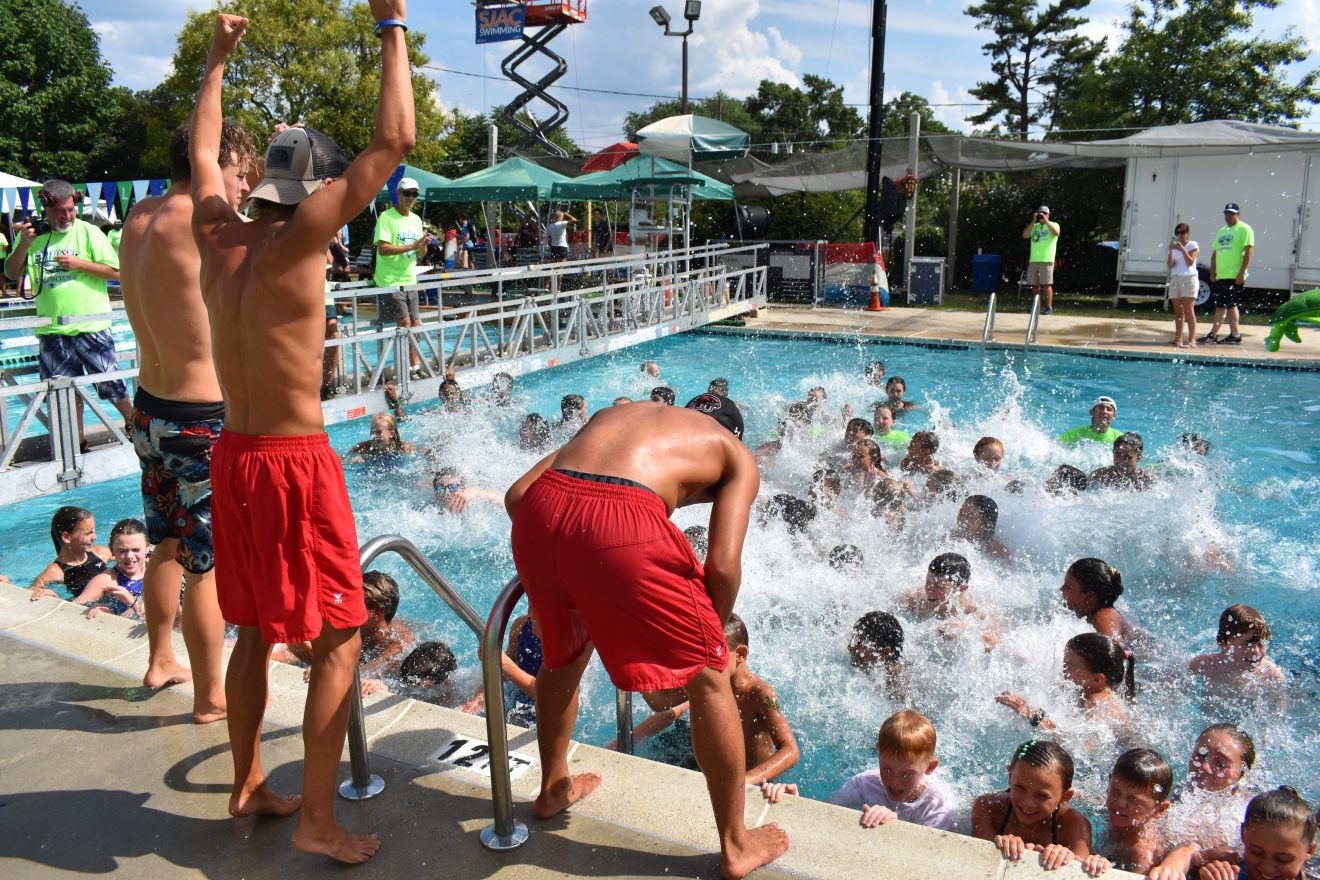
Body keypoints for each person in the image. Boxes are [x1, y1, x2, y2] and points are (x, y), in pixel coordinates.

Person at [189, 5, 415, 862]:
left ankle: (247, 781)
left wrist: (216, 62)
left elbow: (206, 152)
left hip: (233, 453)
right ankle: (318, 821)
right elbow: (395, 139)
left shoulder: (219, 236)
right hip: (290, 463)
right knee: (340, 637)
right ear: (318, 189)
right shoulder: (307, 237)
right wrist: (391, 22)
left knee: (256, 630)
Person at [505, 392, 790, 878]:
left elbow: (517, 495)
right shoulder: (735, 453)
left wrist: (573, 566)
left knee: (563, 657)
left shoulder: (618, 416)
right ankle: (737, 845)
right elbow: (721, 565)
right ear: (731, 432)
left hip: (540, 517)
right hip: (622, 523)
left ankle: (554, 788)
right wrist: (708, 641)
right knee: (711, 675)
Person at [4, 179, 134, 447]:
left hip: (91, 325)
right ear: (46, 208)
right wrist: (23, 247)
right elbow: (11, 273)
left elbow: (119, 273)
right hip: (52, 330)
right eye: (60, 211)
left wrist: (80, 264)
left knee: (111, 384)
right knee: (64, 392)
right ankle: (78, 443)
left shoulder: (89, 233)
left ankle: (135, 426)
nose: (67, 215)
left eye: (71, 209)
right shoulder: (31, 237)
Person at [761, 710, 957, 832]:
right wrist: (794, 802)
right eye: (887, 769)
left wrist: (897, 824)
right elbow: (824, 815)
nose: (895, 782)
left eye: (907, 774)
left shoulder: (940, 804)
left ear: (930, 768)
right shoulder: (866, 782)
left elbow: (934, 856)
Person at [1151, 725, 1257, 877]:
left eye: (1220, 764)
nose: (1205, 767)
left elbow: (1190, 845)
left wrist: (1175, 863)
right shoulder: (1174, 790)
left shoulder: (1242, 815)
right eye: (1201, 755)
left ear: (1242, 775)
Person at [971, 740, 1091, 867]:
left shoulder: (1075, 826)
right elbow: (981, 864)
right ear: (1010, 776)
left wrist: (1065, 857)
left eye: (1042, 796)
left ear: (1065, 796)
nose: (1027, 802)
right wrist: (999, 847)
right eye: (1019, 787)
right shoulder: (987, 807)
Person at [996, 632, 1134, 730]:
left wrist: (1027, 711)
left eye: (1068, 665)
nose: (1062, 668)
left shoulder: (1100, 705)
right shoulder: (1089, 690)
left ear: (1097, 679)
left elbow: (1079, 747)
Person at [722, 614, 799, 786]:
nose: (704, 662)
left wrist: (748, 779)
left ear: (740, 654)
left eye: (715, 653)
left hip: (756, 782)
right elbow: (663, 703)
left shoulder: (763, 694)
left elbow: (791, 750)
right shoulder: (709, 684)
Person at [1078, 749, 1173, 877]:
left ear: (1159, 809)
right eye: (1116, 791)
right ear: (1109, 784)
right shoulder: (1116, 812)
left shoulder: (1140, 853)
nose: (1120, 803)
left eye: (1133, 799)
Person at [1191, 787, 1317, 880]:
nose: (1267, 868)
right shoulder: (1220, 862)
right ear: (1243, 834)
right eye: (1257, 852)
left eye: (1283, 859)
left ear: (1310, 851)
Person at [373, 176, 430, 377]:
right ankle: (404, 367)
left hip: (409, 279)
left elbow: (419, 254)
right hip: (390, 280)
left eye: (414, 194)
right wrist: (412, 246)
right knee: (404, 323)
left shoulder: (416, 220)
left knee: (415, 324)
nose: (411, 197)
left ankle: (415, 366)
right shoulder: (386, 217)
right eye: (407, 193)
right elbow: (383, 249)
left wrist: (422, 246)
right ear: (398, 194)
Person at [1188, 603, 1286, 689]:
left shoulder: (1271, 674)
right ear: (1224, 644)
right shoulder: (1205, 665)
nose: (1256, 651)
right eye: (1247, 644)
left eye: (1261, 643)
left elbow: (1280, 706)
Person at [28, 506, 111, 601]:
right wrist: (39, 591)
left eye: (94, 532)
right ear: (66, 537)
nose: (95, 537)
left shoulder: (101, 553)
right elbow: (30, 590)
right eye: (88, 533)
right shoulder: (56, 571)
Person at [1199, 203, 1253, 345]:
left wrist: (1241, 273)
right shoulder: (1222, 231)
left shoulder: (1244, 229)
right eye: (1226, 213)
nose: (1228, 216)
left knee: (1230, 305)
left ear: (1238, 215)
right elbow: (1215, 252)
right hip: (1221, 275)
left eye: (1231, 214)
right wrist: (1213, 270)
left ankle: (1234, 335)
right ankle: (1215, 334)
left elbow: (1248, 251)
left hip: (1234, 275)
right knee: (1221, 305)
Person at [76, 518, 150, 619]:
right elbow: (72, 609)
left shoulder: (159, 571)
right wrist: (98, 610)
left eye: (135, 550)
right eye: (122, 551)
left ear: (147, 547)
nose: (129, 556)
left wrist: (132, 602)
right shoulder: (107, 580)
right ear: (112, 550)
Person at [1058, 557, 1132, 644]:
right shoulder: (1095, 611)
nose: (1061, 589)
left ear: (1089, 597)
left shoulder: (1103, 617)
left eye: (1068, 587)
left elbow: (1116, 652)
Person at [1166, 223, 1200, 348]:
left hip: (1189, 279)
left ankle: (1192, 340)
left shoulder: (1193, 245)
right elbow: (1170, 265)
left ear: (1187, 233)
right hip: (1175, 278)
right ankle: (1178, 338)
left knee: (1189, 310)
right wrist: (1171, 252)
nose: (1180, 235)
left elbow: (1190, 262)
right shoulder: (1175, 248)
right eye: (1178, 233)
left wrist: (1182, 249)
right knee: (1178, 312)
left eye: (1182, 232)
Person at [1023, 205, 1061, 314]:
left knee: (1046, 284)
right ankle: (1036, 306)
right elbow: (1025, 235)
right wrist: (1033, 221)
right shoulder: (1034, 226)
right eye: (1040, 213)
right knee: (1034, 285)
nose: (1042, 215)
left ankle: (1048, 307)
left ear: (1048, 215)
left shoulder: (1054, 224)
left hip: (1047, 259)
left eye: (1044, 213)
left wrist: (1046, 221)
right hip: (1034, 259)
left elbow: (1056, 233)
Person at [1089, 432, 1157, 491]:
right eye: (1117, 455)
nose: (1121, 461)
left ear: (1138, 457)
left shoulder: (1147, 480)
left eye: (1127, 457)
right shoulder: (1100, 476)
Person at [952, 494, 1011, 560]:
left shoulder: (998, 552)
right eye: (961, 513)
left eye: (970, 516)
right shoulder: (951, 538)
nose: (962, 519)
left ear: (988, 524)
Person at [343, 412, 417, 464]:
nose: (373, 435)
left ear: (391, 434)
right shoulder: (362, 447)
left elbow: (426, 453)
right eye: (372, 431)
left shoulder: (404, 447)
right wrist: (351, 461)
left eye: (378, 432)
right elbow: (341, 460)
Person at [431, 467, 503, 514]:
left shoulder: (473, 507)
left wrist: (475, 492)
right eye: (440, 488)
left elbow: (504, 500)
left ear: (463, 490)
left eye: (453, 487)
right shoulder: (431, 510)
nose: (446, 492)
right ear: (435, 492)